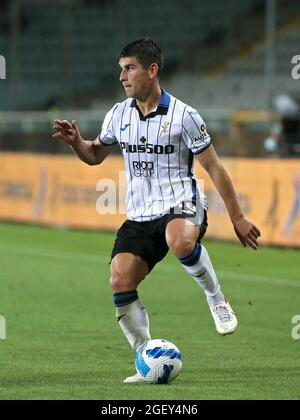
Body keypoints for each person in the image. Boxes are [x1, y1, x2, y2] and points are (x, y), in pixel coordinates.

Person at [52, 38, 261, 383]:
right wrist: (76, 142)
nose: (122, 76)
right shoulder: (118, 114)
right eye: (120, 69)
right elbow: (94, 155)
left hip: (182, 203)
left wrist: (237, 217)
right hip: (140, 214)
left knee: (179, 240)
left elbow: (215, 168)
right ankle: (145, 358)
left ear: (152, 70)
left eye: (129, 68)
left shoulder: (185, 116)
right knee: (119, 279)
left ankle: (216, 298)